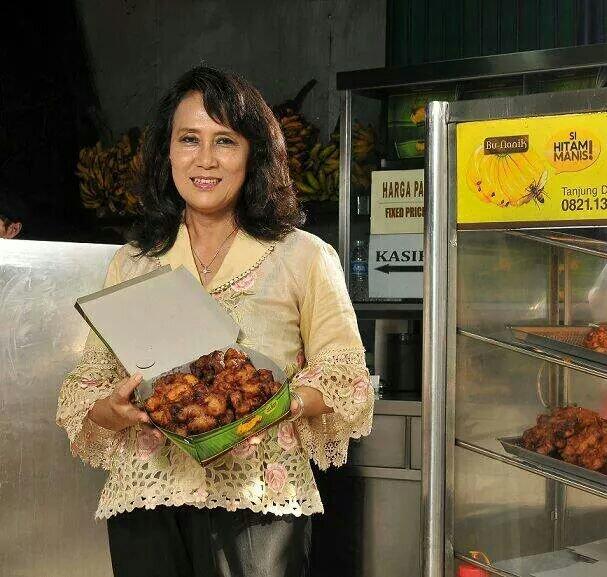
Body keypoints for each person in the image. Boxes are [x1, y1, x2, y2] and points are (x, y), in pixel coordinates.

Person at [56, 66, 374, 577]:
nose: (205, 159)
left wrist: (281, 404)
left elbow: (347, 379)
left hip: (259, 504)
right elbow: (89, 383)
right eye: (189, 139)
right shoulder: (134, 262)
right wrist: (111, 409)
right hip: (147, 497)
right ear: (167, 152)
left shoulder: (303, 256)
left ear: (253, 154)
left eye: (225, 140)